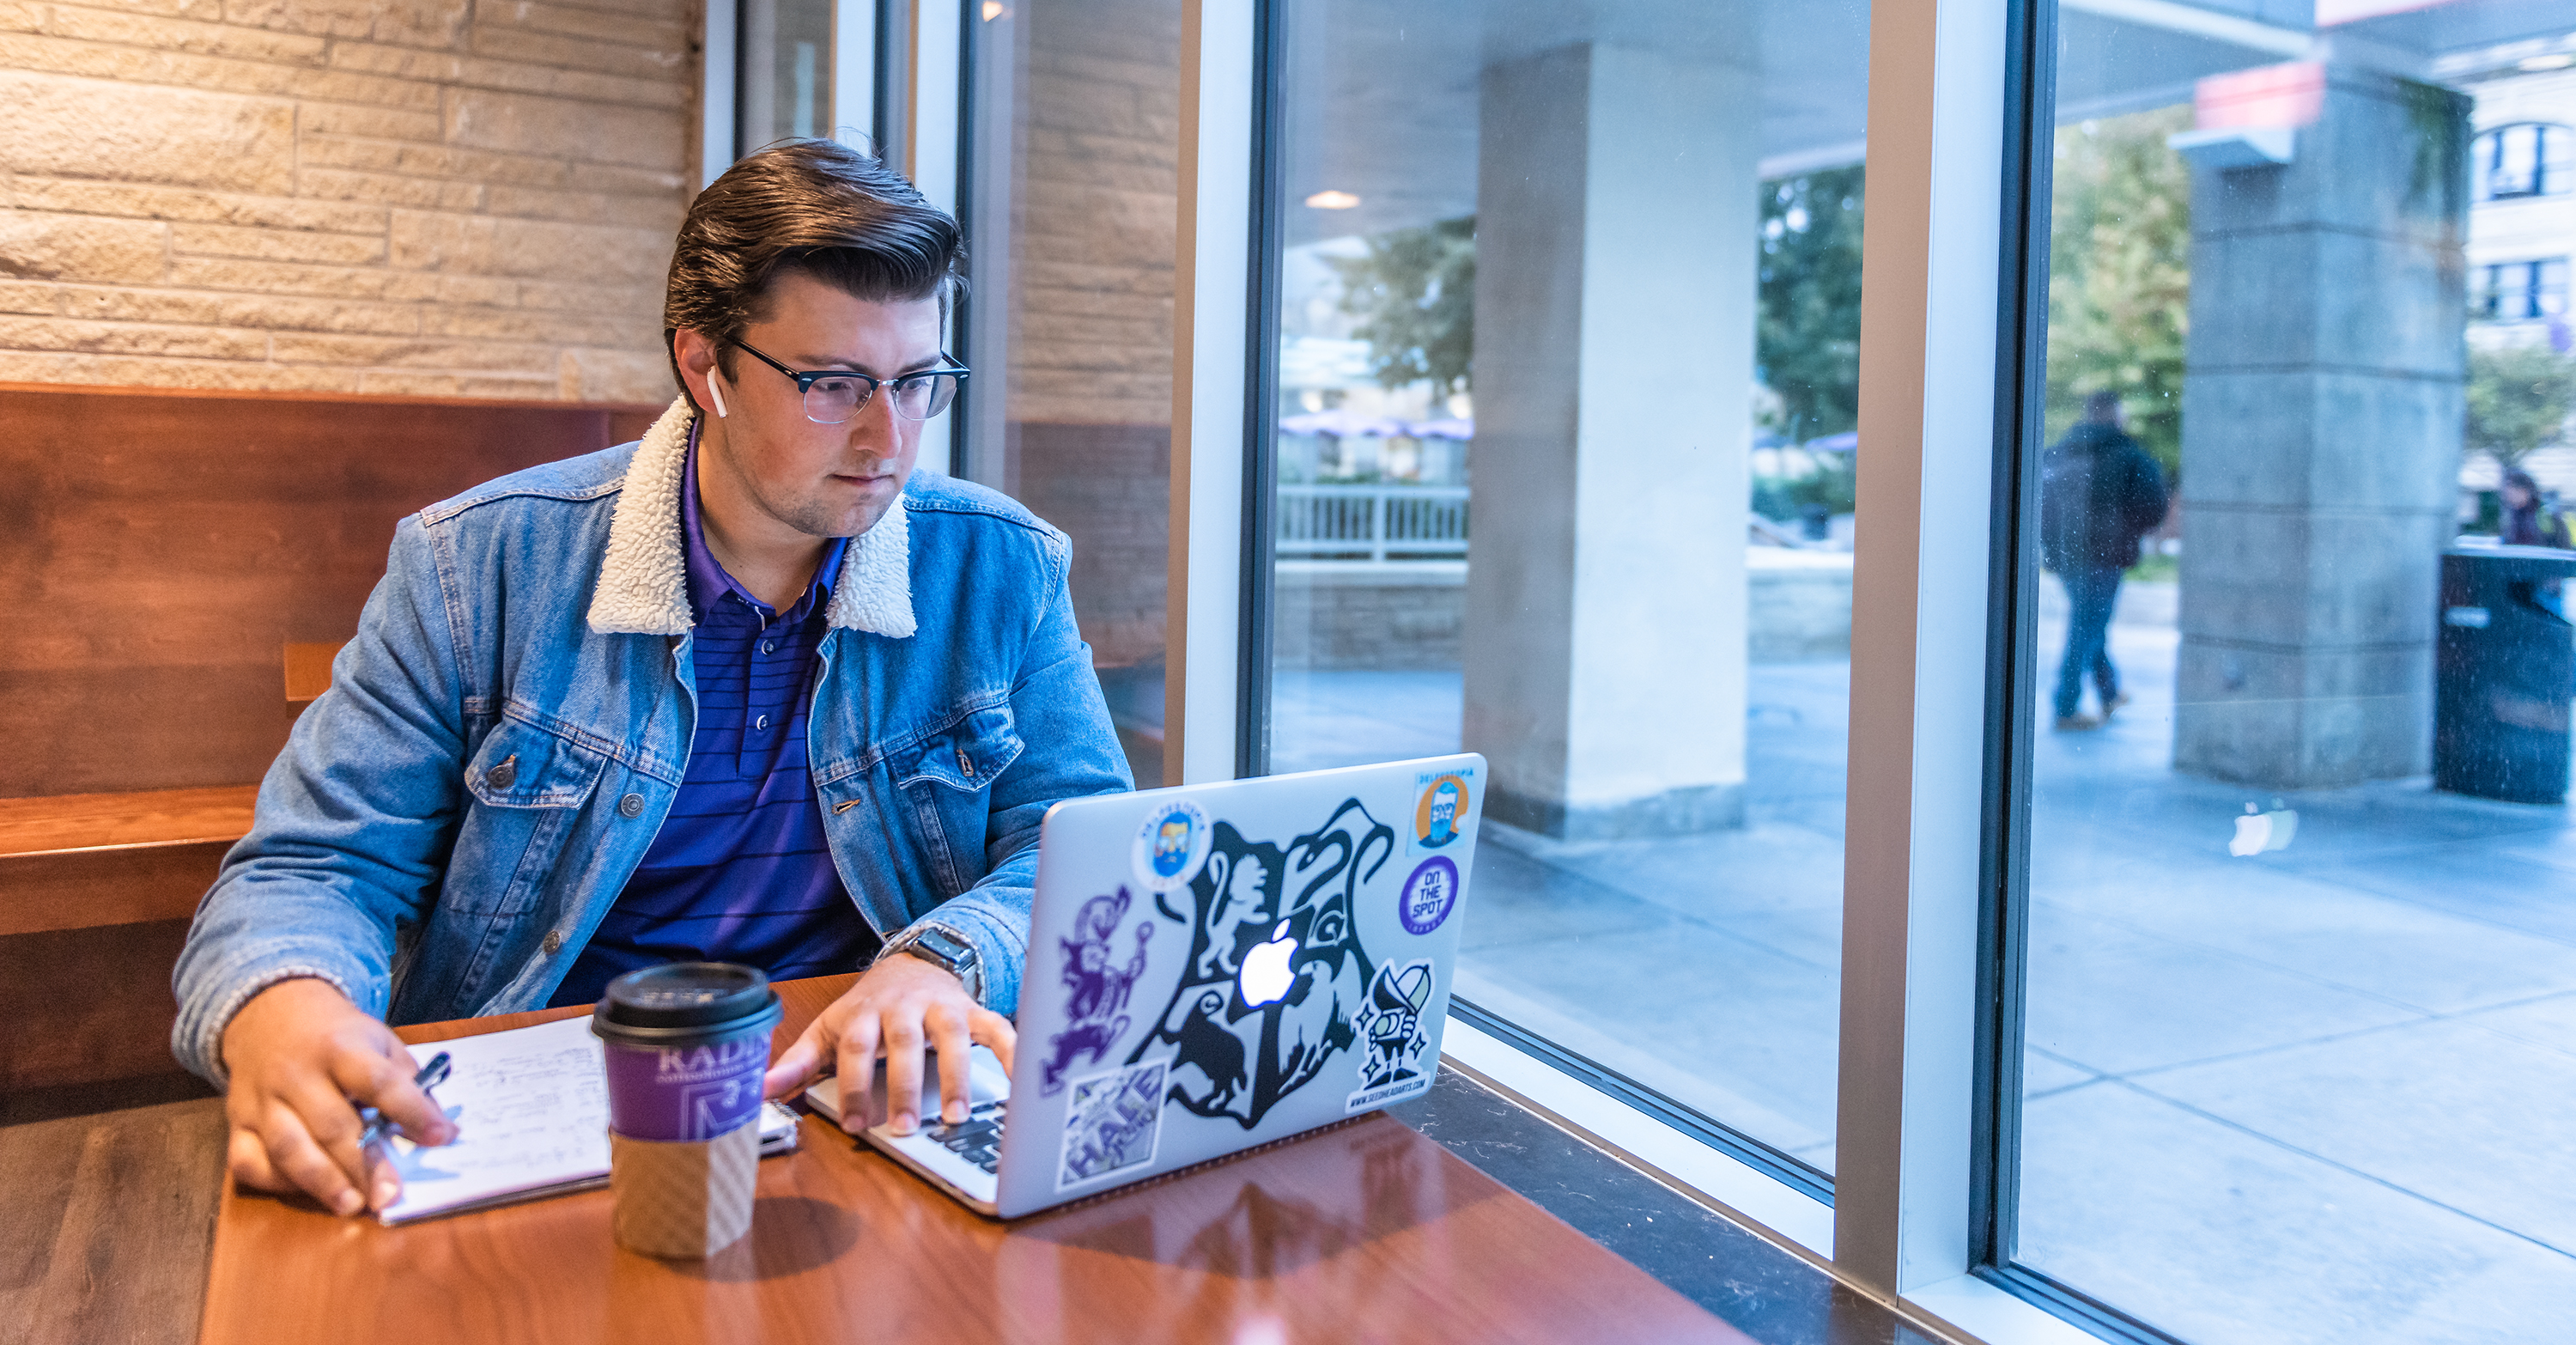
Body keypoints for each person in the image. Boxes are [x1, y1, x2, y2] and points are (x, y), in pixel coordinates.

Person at [170, 141, 1132, 1219]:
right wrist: (284, 1008)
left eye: (918, 383)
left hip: (858, 1107)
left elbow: (1079, 844)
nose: (889, 439)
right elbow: (312, 868)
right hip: (554, 1120)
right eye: (834, 386)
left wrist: (941, 967)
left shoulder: (1002, 565)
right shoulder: (478, 564)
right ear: (703, 365)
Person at [2039, 390, 2170, 731]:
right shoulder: (2128, 456)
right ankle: (2066, 707)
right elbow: (2153, 507)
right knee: (2086, 628)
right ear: (2115, 415)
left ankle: (2110, 693)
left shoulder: (2060, 451)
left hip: (2068, 554)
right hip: (2105, 557)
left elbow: (2042, 505)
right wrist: (2127, 533)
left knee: (2089, 624)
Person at [2500, 469, 2573, 549]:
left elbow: (2564, 546)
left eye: (2510, 493)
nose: (2507, 497)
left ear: (2523, 490)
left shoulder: (2546, 515)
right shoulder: (2511, 516)